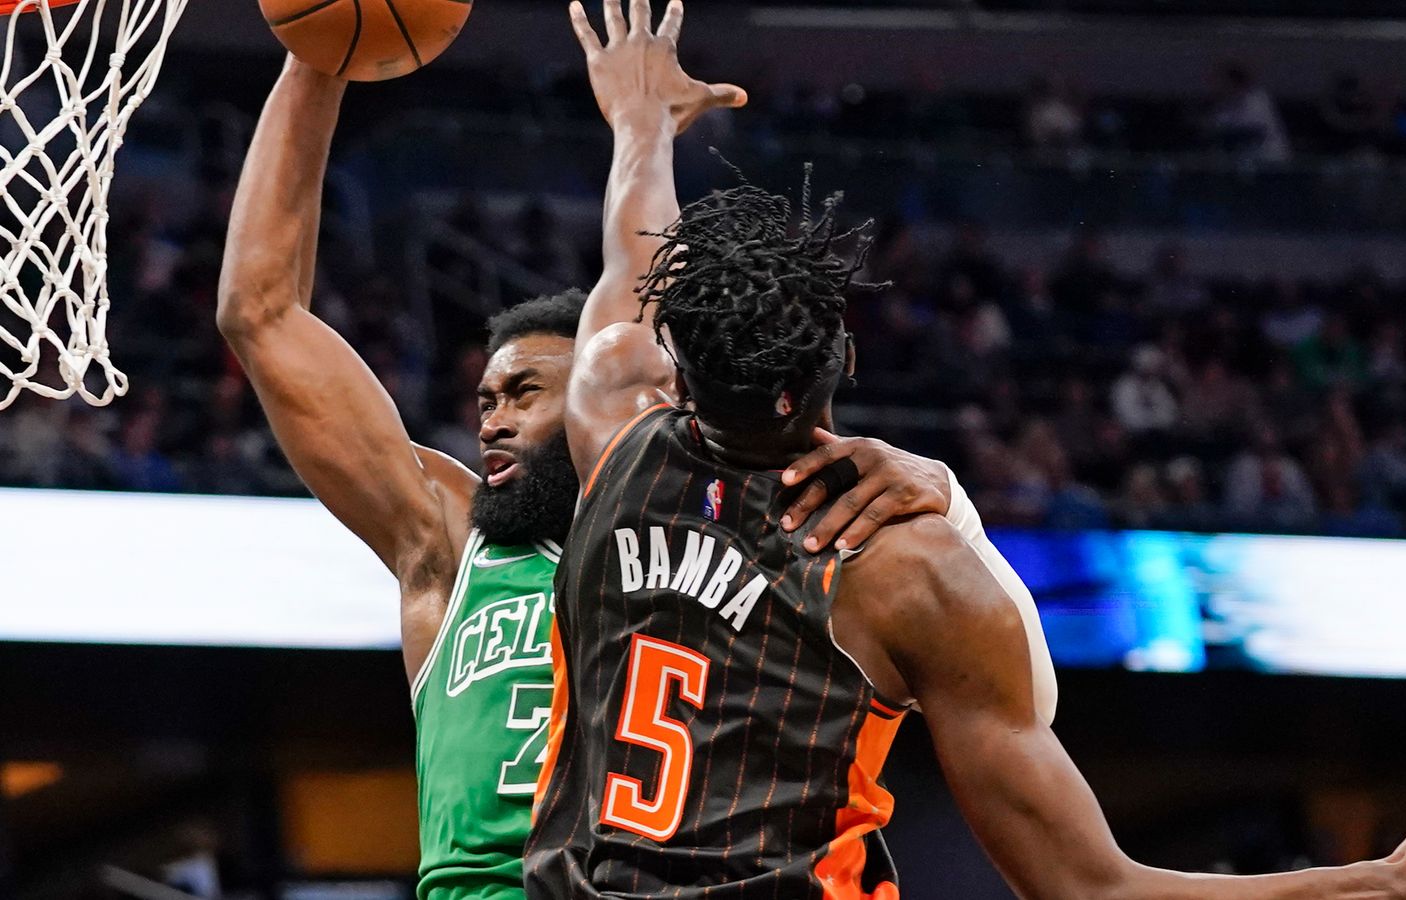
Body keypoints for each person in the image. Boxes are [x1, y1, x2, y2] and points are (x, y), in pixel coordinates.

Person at [526, 4, 1406, 896]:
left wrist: (639, 123)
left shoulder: (613, 415)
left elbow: (636, 252)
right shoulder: (906, 572)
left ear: (675, 357)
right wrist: (1378, 881)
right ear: (839, 356)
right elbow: (1089, 884)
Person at [216, 46, 1018, 900]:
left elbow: (954, 665)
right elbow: (261, 315)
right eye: (484, 397)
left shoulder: (747, 533)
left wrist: (943, 490)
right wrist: (319, 57)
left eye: (526, 392)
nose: (492, 417)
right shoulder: (449, 543)